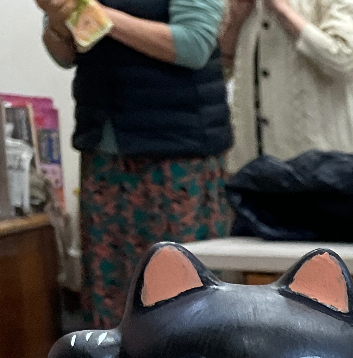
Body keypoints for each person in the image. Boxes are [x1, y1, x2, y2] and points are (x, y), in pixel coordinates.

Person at [37, 0, 231, 329]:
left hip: (176, 154)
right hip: (103, 149)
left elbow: (193, 45)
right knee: (109, 292)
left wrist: (102, 17)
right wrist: (57, 22)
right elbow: (65, 54)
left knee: (179, 291)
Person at [219, 0, 353, 174]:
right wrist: (235, 21)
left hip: (321, 171)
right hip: (248, 167)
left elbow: (347, 62)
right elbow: (216, 76)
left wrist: (283, 10)